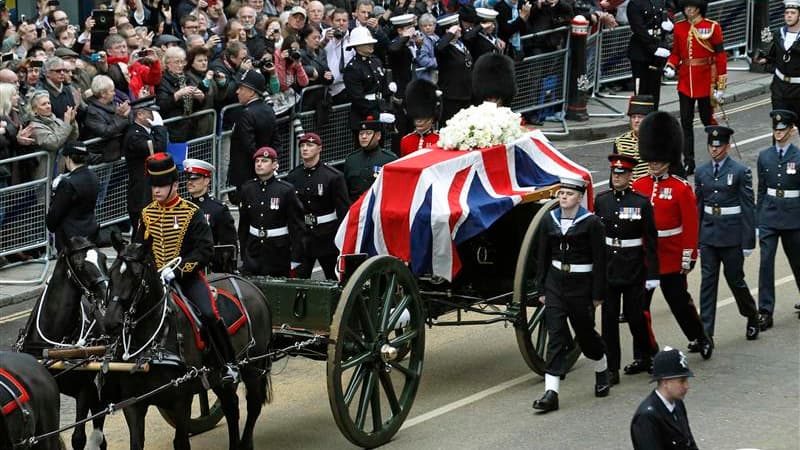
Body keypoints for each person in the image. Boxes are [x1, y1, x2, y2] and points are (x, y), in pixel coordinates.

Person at [137, 152, 238, 383]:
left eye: (161, 185)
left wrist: (178, 270)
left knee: (210, 314)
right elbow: (140, 248)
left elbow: (205, 250)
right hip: (155, 279)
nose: (156, 191)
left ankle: (227, 364)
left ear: (174, 184)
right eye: (153, 186)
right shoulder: (147, 214)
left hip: (187, 277)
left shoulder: (192, 213)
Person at [632, 111, 713, 359]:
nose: (654, 163)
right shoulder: (639, 186)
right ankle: (645, 352)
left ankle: (700, 337)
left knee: (679, 303)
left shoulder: (680, 188)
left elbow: (690, 225)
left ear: (667, 157)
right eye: (651, 159)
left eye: (659, 159)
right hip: (645, 257)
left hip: (671, 256)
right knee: (639, 309)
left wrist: (689, 256)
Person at [532, 177, 610, 413]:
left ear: (579, 197)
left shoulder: (592, 223)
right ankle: (551, 393)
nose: (563, 197)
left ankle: (601, 367)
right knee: (556, 335)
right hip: (556, 284)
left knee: (586, 335)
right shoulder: (549, 219)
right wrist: (542, 289)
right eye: (561, 193)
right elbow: (542, 256)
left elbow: (600, 260)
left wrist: (597, 295)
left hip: (581, 287)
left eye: (569, 194)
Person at [595, 154, 660, 384]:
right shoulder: (602, 200)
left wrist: (652, 274)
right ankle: (612, 368)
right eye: (614, 173)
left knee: (636, 318)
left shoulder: (641, 203)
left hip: (633, 269)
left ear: (630, 176)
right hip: (609, 270)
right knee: (609, 322)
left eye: (621, 174)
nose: (617, 177)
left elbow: (651, 241)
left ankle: (651, 354)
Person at [695, 125, 760, 342]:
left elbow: (748, 207)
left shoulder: (740, 171)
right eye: (711, 146)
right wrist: (696, 238)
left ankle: (751, 315)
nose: (714, 150)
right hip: (709, 235)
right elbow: (699, 206)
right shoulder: (701, 171)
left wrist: (749, 240)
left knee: (735, 281)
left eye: (719, 146)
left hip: (732, 236)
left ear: (727, 147)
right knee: (707, 283)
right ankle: (706, 333)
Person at [663, 0, 727, 176]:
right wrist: (671, 65)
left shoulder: (712, 27)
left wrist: (720, 84)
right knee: (686, 123)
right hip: (685, 82)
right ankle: (689, 161)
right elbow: (676, 52)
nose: (687, 10)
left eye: (690, 7)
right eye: (685, 7)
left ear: (699, 9)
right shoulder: (680, 27)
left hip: (706, 81)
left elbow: (720, 56)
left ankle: (717, 156)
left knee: (708, 121)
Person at [756, 110, 800, 331]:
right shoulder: (765, 156)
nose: (778, 133)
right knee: (765, 263)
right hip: (769, 215)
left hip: (793, 216)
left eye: (783, 129)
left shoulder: (798, 157)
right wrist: (758, 218)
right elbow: (762, 189)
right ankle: (765, 311)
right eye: (776, 129)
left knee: (798, 262)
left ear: (791, 130)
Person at [284, 133, 350, 279]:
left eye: (309, 145)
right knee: (297, 283)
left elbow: (343, 211)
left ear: (319, 148)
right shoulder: (294, 176)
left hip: (327, 236)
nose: (305, 149)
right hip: (303, 237)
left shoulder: (333, 176)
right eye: (302, 146)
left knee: (335, 280)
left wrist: (342, 240)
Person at [238, 147, 305, 277]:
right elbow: (244, 224)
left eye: (264, 161)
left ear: (274, 165)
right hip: (254, 250)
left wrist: (296, 257)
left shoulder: (285, 190)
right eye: (257, 161)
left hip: (278, 252)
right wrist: (244, 253)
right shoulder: (247, 188)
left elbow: (297, 226)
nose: (259, 164)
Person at [630, 346, 699, 450]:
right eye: (682, 381)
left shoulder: (678, 404)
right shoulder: (646, 418)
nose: (687, 386)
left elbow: (689, 443)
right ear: (665, 382)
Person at [228, 69, 277, 205]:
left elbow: (248, 146)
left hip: (247, 175)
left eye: (241, 88)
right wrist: (270, 162)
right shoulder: (269, 110)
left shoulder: (246, 114)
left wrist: (259, 163)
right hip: (266, 171)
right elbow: (276, 142)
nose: (237, 92)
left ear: (251, 91)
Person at [182, 158, 238, 274]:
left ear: (206, 181)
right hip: (183, 266)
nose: (190, 182)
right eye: (188, 178)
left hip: (209, 269)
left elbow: (227, 247)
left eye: (195, 178)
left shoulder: (218, 209)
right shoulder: (183, 207)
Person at [123, 96, 168, 231]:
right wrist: (160, 128)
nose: (155, 116)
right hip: (141, 192)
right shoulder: (134, 135)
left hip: (149, 189)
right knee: (141, 233)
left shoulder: (146, 132)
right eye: (150, 112)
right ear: (140, 114)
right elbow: (159, 150)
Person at [46, 143, 99, 253]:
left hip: (69, 237)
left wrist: (54, 193)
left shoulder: (68, 183)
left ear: (69, 158)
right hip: (90, 231)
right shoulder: (93, 176)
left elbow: (55, 213)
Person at [343, 27, 389, 139]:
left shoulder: (375, 61)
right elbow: (357, 98)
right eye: (366, 43)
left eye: (371, 42)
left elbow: (381, 86)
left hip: (379, 109)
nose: (371, 45)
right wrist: (376, 115)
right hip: (363, 117)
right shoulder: (353, 68)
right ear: (357, 46)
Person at [627, 0, 673, 109]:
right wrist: (653, 48)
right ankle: (640, 120)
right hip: (641, 52)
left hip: (657, 50)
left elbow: (661, 19)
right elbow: (638, 29)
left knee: (654, 90)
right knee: (641, 91)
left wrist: (668, 26)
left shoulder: (659, 1)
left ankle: (653, 118)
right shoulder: (635, 3)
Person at [760, 0, 800, 119]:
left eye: (793, 12)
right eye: (786, 12)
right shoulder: (778, 34)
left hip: (798, 89)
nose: (789, 15)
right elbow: (773, 57)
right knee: (779, 126)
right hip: (780, 87)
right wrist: (763, 60)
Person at [342, 116, 397, 201]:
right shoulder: (351, 160)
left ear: (378, 136)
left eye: (368, 133)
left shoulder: (389, 159)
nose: (364, 137)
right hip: (356, 208)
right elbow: (345, 191)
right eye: (361, 133)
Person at [435, 13, 473, 123]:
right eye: (456, 28)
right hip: (451, 96)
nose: (460, 29)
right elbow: (439, 48)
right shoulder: (444, 48)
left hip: (466, 93)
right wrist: (450, 33)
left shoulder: (460, 44)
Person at [613, 95, 655, 181]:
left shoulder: (659, 141)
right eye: (633, 117)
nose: (636, 121)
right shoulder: (620, 141)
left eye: (640, 117)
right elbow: (615, 171)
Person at [399, 79, 440, 157]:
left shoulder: (440, 140)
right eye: (416, 116)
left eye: (423, 116)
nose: (419, 121)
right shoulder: (405, 141)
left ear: (432, 118)